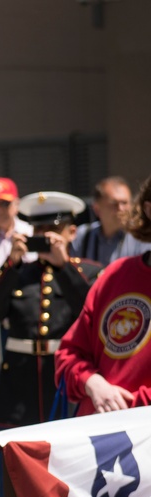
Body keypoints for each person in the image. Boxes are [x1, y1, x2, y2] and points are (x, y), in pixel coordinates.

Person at [0, 191, 101, 428]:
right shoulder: (18, 273)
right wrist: (11, 265)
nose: (44, 236)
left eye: (53, 230)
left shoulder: (88, 273)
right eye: (38, 230)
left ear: (72, 233)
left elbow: (92, 314)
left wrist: (63, 266)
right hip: (18, 386)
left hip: (64, 382)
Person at [55, 173, 151, 416]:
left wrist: (129, 406)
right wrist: (92, 383)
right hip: (98, 439)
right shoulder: (114, 275)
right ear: (149, 209)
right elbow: (68, 357)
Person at [70, 176, 151, 266]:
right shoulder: (83, 235)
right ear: (97, 209)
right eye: (114, 204)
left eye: (124, 203)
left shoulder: (143, 236)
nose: (121, 209)